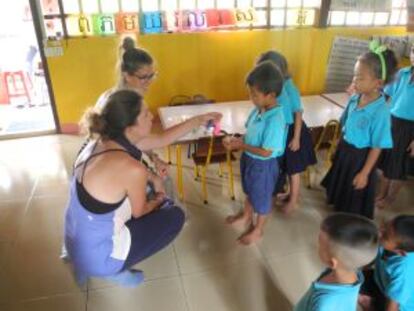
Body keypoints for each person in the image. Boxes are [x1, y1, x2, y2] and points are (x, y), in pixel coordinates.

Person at [64, 90, 221, 286]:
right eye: (146, 114)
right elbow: (141, 212)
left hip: (74, 243)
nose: (152, 116)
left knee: (133, 195)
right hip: (101, 257)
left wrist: (199, 119)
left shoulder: (99, 143)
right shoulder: (131, 168)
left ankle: (86, 265)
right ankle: (116, 269)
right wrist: (160, 196)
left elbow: (164, 138)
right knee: (175, 215)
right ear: (130, 127)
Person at [321, 43, 398, 219]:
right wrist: (339, 142)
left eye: (360, 78)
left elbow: (377, 146)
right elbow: (345, 123)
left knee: (353, 190)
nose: (354, 80)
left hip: (360, 158)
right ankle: (338, 205)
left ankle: (347, 217)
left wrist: (364, 173)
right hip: (345, 150)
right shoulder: (355, 98)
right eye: (355, 75)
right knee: (341, 183)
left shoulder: (381, 111)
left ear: (378, 83)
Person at [223, 61, 286, 245]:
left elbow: (266, 152)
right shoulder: (259, 110)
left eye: (254, 94)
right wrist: (237, 139)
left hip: (263, 166)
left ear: (271, 95)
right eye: (250, 92)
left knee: (263, 198)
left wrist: (240, 145)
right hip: (250, 160)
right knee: (250, 191)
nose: (251, 97)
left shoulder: (275, 119)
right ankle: (245, 216)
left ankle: (258, 230)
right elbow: (250, 134)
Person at [257, 51, 316, 214]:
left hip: (293, 131)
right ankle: (289, 193)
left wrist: (296, 138)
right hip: (280, 132)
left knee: (293, 168)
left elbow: (298, 112)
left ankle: (294, 200)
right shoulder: (270, 87)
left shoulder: (289, 86)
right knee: (285, 165)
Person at [295, 213, 379, 311]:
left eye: (320, 244)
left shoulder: (325, 305)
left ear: (332, 263)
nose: (316, 245)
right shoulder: (351, 270)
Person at [376, 44, 414, 209]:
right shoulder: (402, 73)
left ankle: (390, 198)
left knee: (397, 167)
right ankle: (381, 193)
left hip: (410, 128)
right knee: (386, 161)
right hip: (392, 121)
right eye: (413, 51)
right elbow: (386, 95)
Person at [359, 215, 414, 311]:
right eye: (384, 225)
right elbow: (375, 256)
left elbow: (393, 306)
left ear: (400, 252)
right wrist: (363, 268)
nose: (379, 232)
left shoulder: (404, 273)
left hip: (398, 305)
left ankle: (371, 306)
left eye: (385, 235)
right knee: (350, 280)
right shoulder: (387, 242)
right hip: (381, 283)